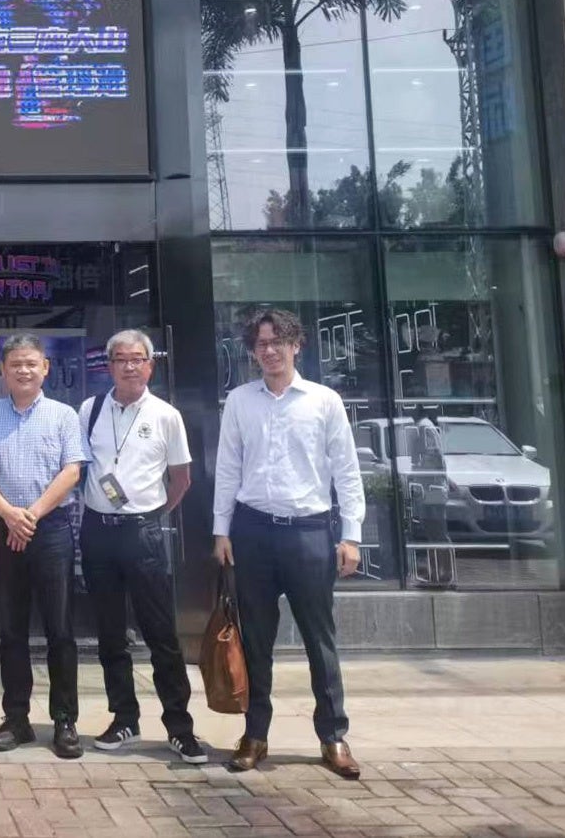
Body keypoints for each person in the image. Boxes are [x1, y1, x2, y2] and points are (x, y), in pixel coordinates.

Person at [213, 308, 365, 780]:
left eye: (278, 341)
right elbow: (227, 468)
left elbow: (347, 470)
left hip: (309, 533)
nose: (270, 350)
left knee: (320, 640)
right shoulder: (240, 401)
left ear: (297, 345)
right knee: (256, 641)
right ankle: (255, 735)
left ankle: (333, 736)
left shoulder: (324, 401)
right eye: (261, 343)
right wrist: (221, 529)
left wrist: (352, 535)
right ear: (253, 351)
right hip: (253, 532)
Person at [78, 330, 206, 763]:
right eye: (120, 359)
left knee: (160, 633)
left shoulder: (167, 415)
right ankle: (124, 718)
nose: (129, 366)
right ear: (109, 365)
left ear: (150, 365)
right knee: (110, 633)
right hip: (97, 531)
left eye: (137, 359)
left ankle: (180, 727)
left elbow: (181, 479)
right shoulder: (90, 409)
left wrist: (152, 515)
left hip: (143, 533)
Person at [0, 333, 87, 759]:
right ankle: (16, 718)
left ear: (45, 368)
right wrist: (8, 514)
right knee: (11, 629)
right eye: (15, 363)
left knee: (60, 629)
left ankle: (65, 720)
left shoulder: (63, 415)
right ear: (3, 370)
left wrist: (30, 515)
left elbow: (72, 471)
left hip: (50, 528)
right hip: (4, 528)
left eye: (31, 362)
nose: (23, 370)